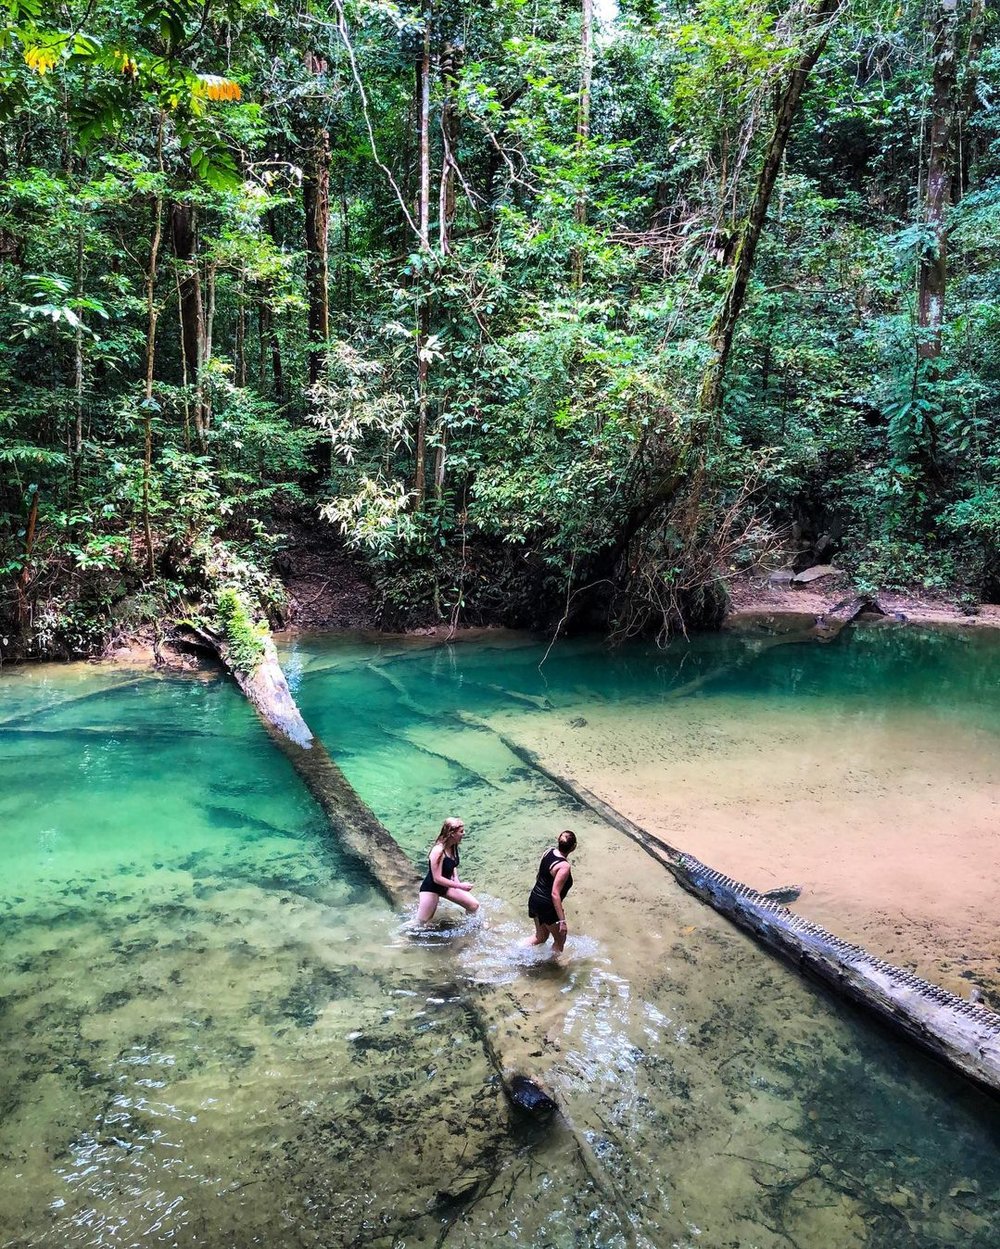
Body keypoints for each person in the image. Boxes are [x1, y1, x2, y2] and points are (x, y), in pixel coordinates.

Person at [415, 817, 479, 924]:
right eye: (461, 831)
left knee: (473, 905)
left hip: (447, 886)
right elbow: (437, 878)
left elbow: (452, 864)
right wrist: (460, 886)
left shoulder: (453, 845)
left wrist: (456, 879)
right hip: (432, 888)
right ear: (452, 834)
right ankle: (399, 936)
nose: (464, 833)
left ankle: (469, 926)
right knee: (421, 922)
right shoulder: (438, 851)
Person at [526, 829, 577, 953]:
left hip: (534, 899)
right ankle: (550, 967)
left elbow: (538, 876)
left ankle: (515, 951)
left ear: (558, 842)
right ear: (574, 847)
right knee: (560, 940)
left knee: (541, 937)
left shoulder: (548, 851)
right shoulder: (564, 866)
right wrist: (562, 921)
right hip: (547, 906)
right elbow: (555, 894)